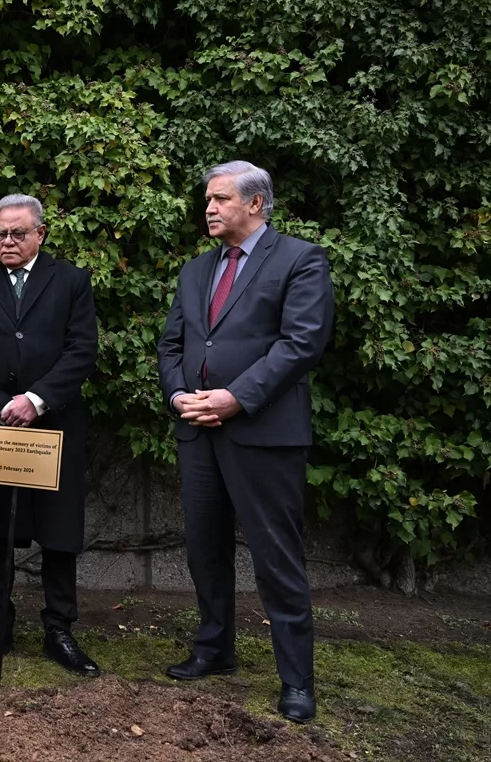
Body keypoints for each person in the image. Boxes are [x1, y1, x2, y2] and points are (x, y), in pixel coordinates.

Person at [157, 160, 335, 723]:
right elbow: (171, 345)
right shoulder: (193, 271)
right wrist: (180, 396)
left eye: (220, 199)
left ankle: (297, 681)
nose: (208, 208)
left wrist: (235, 397)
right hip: (197, 432)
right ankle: (215, 649)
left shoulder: (300, 260)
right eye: (207, 200)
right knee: (204, 548)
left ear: (255, 204)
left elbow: (301, 342)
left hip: (263, 433)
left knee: (276, 558)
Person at [0, 193, 99, 676]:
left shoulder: (71, 281)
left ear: (40, 234)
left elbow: (82, 349)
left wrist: (35, 400)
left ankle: (60, 630)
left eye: (17, 233)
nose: (7, 241)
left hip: (53, 425)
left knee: (58, 532)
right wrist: (0, 405)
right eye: (0, 234)